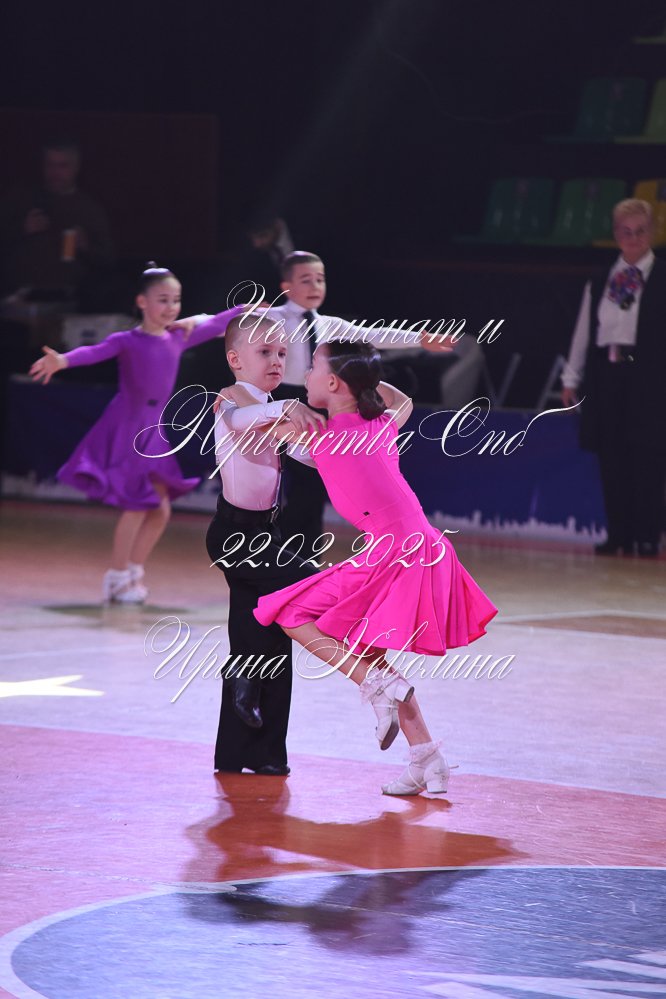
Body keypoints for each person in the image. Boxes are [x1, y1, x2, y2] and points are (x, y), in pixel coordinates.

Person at [226, 339, 498, 796]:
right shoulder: (382, 423)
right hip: (423, 547)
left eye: (313, 368)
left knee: (290, 613)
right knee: (368, 650)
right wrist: (365, 378)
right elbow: (400, 399)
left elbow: (242, 421)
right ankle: (426, 758)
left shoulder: (320, 434)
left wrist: (234, 394)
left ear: (334, 383)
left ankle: (375, 686)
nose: (304, 374)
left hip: (392, 553)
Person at [29, 263, 243, 603]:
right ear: (142, 302)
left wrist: (248, 308)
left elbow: (218, 323)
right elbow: (93, 352)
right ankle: (116, 577)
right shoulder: (127, 340)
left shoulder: (178, 336)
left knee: (160, 510)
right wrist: (63, 361)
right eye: (163, 300)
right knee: (137, 505)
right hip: (128, 427)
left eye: (176, 300)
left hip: (154, 431)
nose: (171, 307)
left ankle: (132, 571)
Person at [265, 250, 454, 557]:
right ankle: (278, 554)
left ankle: (302, 556)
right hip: (281, 401)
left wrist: (419, 339)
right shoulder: (270, 319)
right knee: (273, 484)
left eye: (320, 279)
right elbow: (230, 332)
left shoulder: (329, 324)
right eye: (306, 280)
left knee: (310, 487)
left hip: (321, 403)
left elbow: (372, 335)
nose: (315, 286)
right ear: (286, 287)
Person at [206, 312, 324, 775]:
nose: (277, 361)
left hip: (266, 534)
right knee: (312, 582)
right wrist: (287, 408)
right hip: (235, 538)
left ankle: (256, 756)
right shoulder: (230, 399)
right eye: (265, 352)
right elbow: (239, 421)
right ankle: (241, 677)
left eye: (282, 353)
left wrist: (350, 447)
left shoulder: (275, 408)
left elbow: (308, 455)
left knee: (267, 638)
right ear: (236, 359)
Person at [562, 198, 666, 557]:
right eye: (626, 231)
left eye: (640, 231)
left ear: (652, 232)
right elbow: (584, 330)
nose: (633, 238)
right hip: (607, 375)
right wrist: (571, 377)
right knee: (612, 456)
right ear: (616, 235)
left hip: (651, 378)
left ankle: (647, 535)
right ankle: (618, 533)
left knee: (648, 457)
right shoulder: (601, 279)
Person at [0, 138, 113, 300]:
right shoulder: (20, 199)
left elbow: (107, 259)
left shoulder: (88, 208)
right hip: (18, 296)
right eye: (50, 165)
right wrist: (22, 228)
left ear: (76, 167)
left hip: (69, 296)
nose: (55, 172)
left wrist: (86, 245)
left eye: (63, 166)